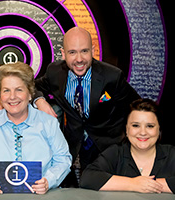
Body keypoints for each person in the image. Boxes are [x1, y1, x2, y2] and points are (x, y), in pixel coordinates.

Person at [34, 27, 140, 184]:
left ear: (93, 50)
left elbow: (136, 106)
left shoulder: (112, 76)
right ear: (63, 54)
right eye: (72, 52)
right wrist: (39, 101)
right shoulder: (54, 72)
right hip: (72, 146)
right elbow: (32, 86)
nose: (79, 59)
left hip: (107, 146)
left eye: (84, 51)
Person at [0, 62, 72, 194]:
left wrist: (48, 181)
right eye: (6, 90)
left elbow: (63, 159)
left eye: (19, 90)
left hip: (41, 196)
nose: (12, 96)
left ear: (30, 94)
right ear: (0, 95)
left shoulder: (48, 123)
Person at [80, 99, 175, 194]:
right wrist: (133, 184)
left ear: (159, 130)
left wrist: (148, 185)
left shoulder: (171, 154)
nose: (142, 132)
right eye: (135, 125)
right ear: (126, 129)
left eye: (150, 126)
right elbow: (87, 178)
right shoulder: (115, 153)